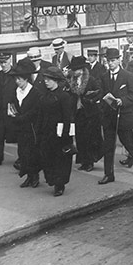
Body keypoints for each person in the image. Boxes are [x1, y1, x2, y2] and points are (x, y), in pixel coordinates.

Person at [99, 48, 133, 184]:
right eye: (108, 61)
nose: (110, 64)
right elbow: (102, 93)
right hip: (109, 116)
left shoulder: (128, 76)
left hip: (124, 115)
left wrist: (122, 101)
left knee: (128, 142)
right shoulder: (105, 76)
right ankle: (109, 174)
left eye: (112, 61)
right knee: (108, 146)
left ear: (118, 60)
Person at [35, 66, 75, 196]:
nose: (46, 81)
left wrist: (65, 137)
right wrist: (38, 131)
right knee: (48, 159)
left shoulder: (64, 97)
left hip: (59, 135)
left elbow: (67, 117)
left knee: (60, 161)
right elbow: (40, 115)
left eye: (49, 79)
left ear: (56, 80)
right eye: (45, 79)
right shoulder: (44, 96)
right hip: (47, 133)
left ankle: (59, 185)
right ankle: (52, 180)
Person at [8, 59, 41, 188]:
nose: (17, 82)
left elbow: (35, 111)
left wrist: (21, 117)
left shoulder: (34, 93)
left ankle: (35, 176)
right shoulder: (16, 92)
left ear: (26, 79)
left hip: (32, 128)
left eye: (19, 80)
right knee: (23, 153)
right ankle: (28, 176)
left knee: (32, 153)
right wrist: (13, 114)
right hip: (20, 128)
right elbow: (12, 106)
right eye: (16, 79)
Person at [68, 55, 103, 172]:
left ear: (82, 69)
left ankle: (90, 162)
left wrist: (91, 100)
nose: (75, 72)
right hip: (78, 113)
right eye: (74, 70)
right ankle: (83, 161)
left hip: (90, 113)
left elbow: (99, 92)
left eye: (77, 70)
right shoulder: (72, 80)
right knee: (80, 138)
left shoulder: (91, 79)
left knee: (90, 138)